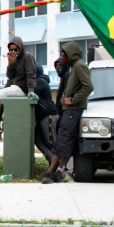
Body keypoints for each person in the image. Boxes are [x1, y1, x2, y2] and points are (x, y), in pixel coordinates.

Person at [41, 42, 93, 184]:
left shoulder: (79, 66)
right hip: (69, 110)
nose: (63, 57)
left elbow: (88, 86)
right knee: (67, 141)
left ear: (71, 53)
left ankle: (50, 172)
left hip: (72, 110)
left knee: (62, 140)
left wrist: (74, 100)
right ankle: (59, 171)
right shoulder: (74, 67)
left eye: (64, 54)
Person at [0, 36, 38, 141]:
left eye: (16, 49)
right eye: (11, 50)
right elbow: (10, 77)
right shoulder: (14, 59)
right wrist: (11, 64)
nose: (13, 52)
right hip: (15, 87)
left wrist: (31, 90)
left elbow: (31, 74)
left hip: (22, 88)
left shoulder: (27, 57)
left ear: (21, 48)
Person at [33, 63, 58, 166]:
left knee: (51, 142)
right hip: (43, 116)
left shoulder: (40, 81)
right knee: (37, 139)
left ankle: (58, 167)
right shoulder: (39, 81)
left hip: (48, 115)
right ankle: (52, 160)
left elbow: (25, 91)